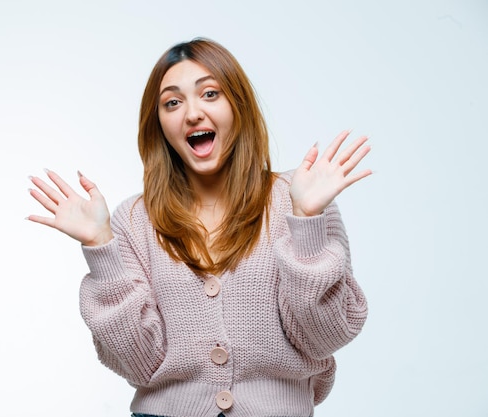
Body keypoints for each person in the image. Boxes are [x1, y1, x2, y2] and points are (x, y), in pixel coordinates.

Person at [27, 38, 371, 417]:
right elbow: (138, 364)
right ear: (158, 123)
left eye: (210, 94)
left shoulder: (300, 198)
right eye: (172, 102)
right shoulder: (132, 221)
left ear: (238, 105)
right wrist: (101, 247)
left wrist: (307, 222)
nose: (192, 114)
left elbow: (325, 337)